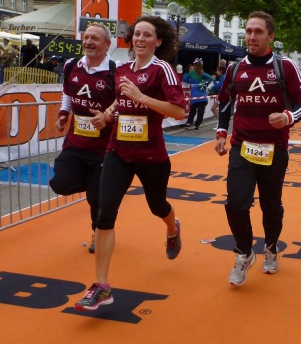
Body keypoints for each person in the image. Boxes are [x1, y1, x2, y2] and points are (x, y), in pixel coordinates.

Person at [75, 16, 186, 311]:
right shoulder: (122, 69)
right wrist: (108, 114)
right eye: (137, 34)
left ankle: (172, 228)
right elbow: (120, 100)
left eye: (147, 35)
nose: (140, 39)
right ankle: (101, 286)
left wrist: (142, 97)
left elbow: (179, 111)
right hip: (118, 152)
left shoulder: (162, 69)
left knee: (157, 206)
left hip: (151, 156)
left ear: (158, 41)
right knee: (104, 213)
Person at [215, 11, 301, 286]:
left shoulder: (285, 66)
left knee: (271, 207)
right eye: (248, 31)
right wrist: (221, 132)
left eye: (258, 32)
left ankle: (270, 247)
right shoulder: (235, 69)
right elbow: (225, 102)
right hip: (242, 147)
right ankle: (244, 252)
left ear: (271, 36)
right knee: (236, 203)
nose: (252, 36)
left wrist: (288, 117)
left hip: (274, 150)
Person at [49, 24, 116, 255]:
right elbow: (67, 93)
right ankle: (96, 186)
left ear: (107, 44)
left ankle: (98, 231)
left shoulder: (115, 71)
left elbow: (123, 102)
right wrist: (63, 115)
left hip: (103, 148)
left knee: (97, 198)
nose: (88, 42)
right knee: (60, 183)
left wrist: (107, 116)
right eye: (86, 37)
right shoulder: (71, 65)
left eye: (95, 39)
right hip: (76, 142)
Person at [182, 58, 214, 131]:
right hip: (203, 96)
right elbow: (211, 78)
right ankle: (197, 125)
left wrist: (190, 80)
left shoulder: (191, 72)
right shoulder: (202, 73)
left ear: (195, 65)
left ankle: (188, 123)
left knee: (192, 111)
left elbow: (185, 79)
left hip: (194, 96)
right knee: (200, 112)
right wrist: (205, 83)